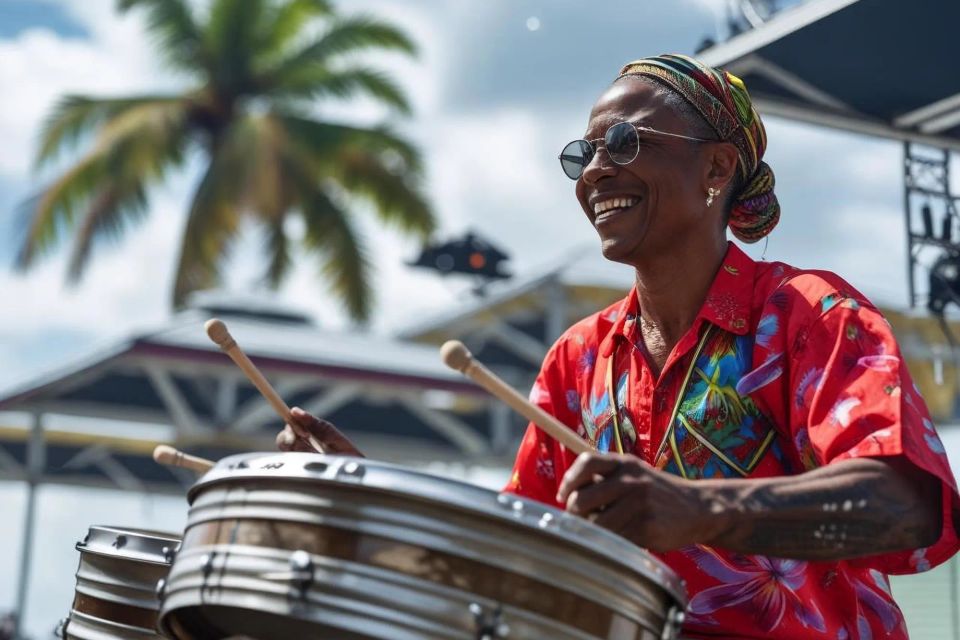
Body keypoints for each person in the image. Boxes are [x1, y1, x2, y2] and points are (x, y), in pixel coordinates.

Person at [278, 54, 960, 639]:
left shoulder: (810, 315)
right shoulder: (578, 359)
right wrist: (367, 498)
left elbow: (906, 505)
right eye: (584, 154)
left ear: (716, 169)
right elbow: (521, 561)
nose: (594, 172)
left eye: (626, 143)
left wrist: (703, 510)